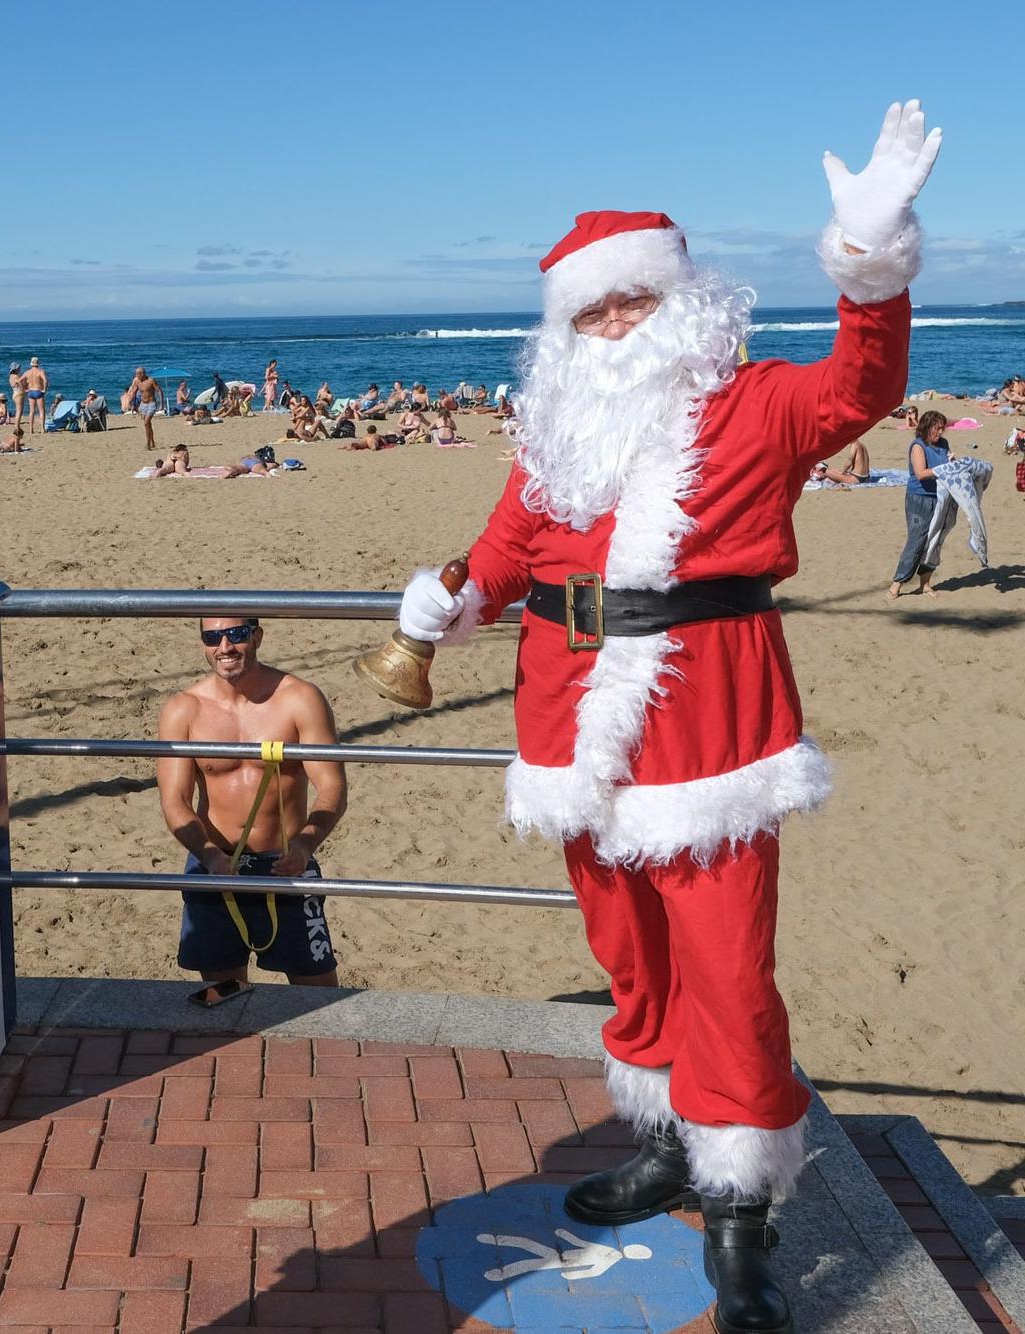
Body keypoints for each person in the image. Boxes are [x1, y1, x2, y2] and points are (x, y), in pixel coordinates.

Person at [390, 103, 939, 1331]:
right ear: (563, 330)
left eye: (630, 299)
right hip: (565, 716)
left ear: (680, 297)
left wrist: (869, 257)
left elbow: (867, 382)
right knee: (628, 955)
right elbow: (509, 541)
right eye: (590, 310)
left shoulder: (757, 405)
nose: (611, 322)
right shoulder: (555, 432)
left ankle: (743, 1211)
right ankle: (667, 1139)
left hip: (708, 721)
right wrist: (448, 599)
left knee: (728, 968)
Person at [157, 618, 344, 1005]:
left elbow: (332, 787)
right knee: (226, 998)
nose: (224, 646)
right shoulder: (184, 709)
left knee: (320, 998)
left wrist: (306, 845)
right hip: (215, 867)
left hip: (286, 865)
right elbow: (174, 800)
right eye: (213, 637)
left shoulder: (300, 699)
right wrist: (208, 854)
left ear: (257, 636)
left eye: (236, 634)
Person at [890, 410, 951, 596]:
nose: (940, 432)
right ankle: (897, 584)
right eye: (937, 428)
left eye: (942, 428)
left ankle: (925, 584)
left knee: (934, 541)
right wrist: (945, 468)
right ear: (927, 427)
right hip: (919, 497)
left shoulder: (944, 444)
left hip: (940, 497)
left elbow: (947, 466)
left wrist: (953, 463)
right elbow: (921, 473)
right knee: (916, 540)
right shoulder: (918, 446)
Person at [128, 366, 164, 449]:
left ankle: (148, 443)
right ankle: (152, 442)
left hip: (152, 403)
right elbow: (134, 392)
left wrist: (162, 404)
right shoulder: (137, 381)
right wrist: (132, 403)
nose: (136, 375)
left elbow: (159, 391)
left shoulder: (151, 380)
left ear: (142, 374)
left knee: (146, 423)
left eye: (137, 374)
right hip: (143, 405)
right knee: (148, 425)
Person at [23, 355, 49, 432]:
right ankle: (42, 428)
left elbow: (20, 380)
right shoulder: (40, 371)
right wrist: (44, 389)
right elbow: (46, 380)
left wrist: (25, 388)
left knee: (32, 411)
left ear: (31, 363)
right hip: (38, 390)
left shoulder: (28, 372)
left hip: (30, 391)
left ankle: (31, 429)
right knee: (41, 410)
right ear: (38, 363)